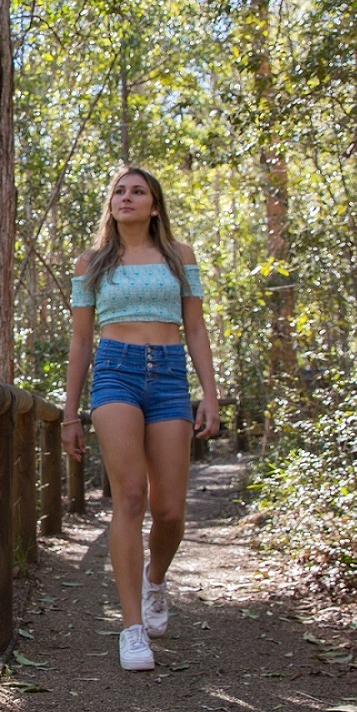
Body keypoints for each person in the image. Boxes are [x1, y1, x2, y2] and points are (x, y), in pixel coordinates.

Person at [60, 166, 218, 672]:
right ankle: (131, 628)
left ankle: (155, 579)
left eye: (138, 191)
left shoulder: (179, 257)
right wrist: (70, 414)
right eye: (119, 192)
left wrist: (209, 395)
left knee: (170, 511)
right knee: (129, 497)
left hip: (169, 376)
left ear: (155, 205)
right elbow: (81, 341)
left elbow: (195, 328)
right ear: (111, 204)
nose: (126, 198)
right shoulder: (91, 264)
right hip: (115, 373)